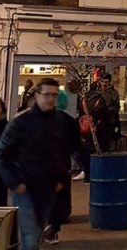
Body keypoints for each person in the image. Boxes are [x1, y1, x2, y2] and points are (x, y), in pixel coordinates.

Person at [0, 77, 72, 250]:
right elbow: (1, 154)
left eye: (54, 95)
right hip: (25, 187)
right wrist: (14, 183)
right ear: (36, 95)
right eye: (46, 95)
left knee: (37, 235)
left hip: (48, 188)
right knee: (29, 238)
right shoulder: (21, 121)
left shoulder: (59, 121)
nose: (51, 99)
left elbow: (61, 153)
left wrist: (60, 179)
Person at [45, 94, 81, 245]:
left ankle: (47, 227)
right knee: (59, 195)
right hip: (61, 163)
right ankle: (54, 226)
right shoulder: (69, 120)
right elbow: (75, 143)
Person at [79, 83, 115, 182]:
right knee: (95, 153)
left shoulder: (83, 99)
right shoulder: (100, 100)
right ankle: (95, 175)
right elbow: (105, 116)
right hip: (97, 131)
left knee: (85, 153)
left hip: (84, 131)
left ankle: (87, 176)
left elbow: (80, 111)